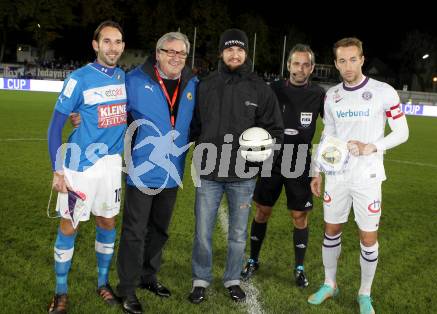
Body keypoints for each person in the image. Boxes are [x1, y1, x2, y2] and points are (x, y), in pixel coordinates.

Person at [307, 37, 409, 314]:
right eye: (342, 60)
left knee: (367, 237)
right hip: (337, 176)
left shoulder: (384, 91)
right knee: (331, 230)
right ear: (336, 63)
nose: (348, 65)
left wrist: (373, 147)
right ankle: (330, 284)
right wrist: (316, 170)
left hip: (368, 176)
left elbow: (402, 132)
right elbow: (328, 134)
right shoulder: (332, 95)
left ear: (362, 59)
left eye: (353, 59)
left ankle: (365, 293)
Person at [188, 28, 284, 304]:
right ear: (221, 53)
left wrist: (265, 154)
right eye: (229, 49)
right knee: (203, 232)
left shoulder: (260, 88)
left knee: (238, 234)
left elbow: (275, 130)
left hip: (243, 176)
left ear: (246, 53)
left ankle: (232, 278)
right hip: (208, 172)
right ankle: (200, 279)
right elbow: (193, 126)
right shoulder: (205, 84)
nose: (234, 54)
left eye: (239, 49)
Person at [47, 20, 126, 313]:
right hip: (80, 166)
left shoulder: (123, 78)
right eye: (107, 41)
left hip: (111, 165)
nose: (113, 47)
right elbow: (54, 128)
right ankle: (60, 291)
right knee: (70, 226)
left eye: (118, 42)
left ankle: (103, 283)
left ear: (123, 46)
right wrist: (57, 171)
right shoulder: (79, 78)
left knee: (107, 222)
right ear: (95, 45)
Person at [116, 32, 197, 314]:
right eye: (169, 51)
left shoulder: (192, 83)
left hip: (172, 171)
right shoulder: (135, 80)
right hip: (141, 170)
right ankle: (126, 289)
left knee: (160, 230)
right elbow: (112, 113)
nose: (175, 58)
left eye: (181, 54)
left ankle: (148, 277)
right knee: (134, 232)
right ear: (158, 52)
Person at [241, 44, 325, 288]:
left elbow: (332, 127)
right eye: (296, 64)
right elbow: (254, 118)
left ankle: (299, 267)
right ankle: (253, 260)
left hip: (300, 160)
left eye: (305, 64)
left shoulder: (318, 94)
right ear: (288, 65)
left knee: (299, 215)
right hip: (272, 159)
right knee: (262, 210)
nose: (300, 69)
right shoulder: (273, 90)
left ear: (312, 68)